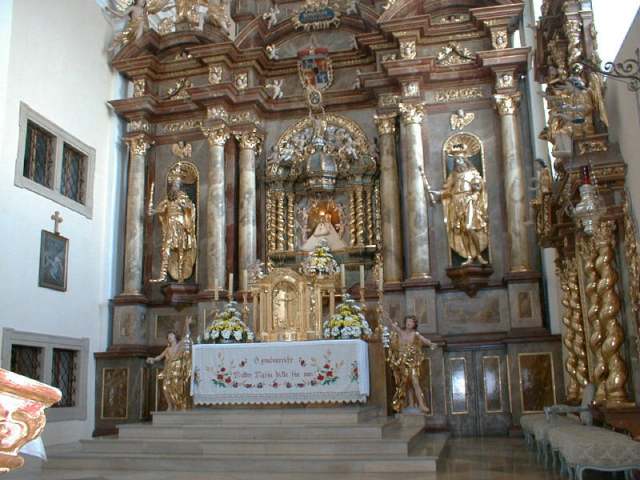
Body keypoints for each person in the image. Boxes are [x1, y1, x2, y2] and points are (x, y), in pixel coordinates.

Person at [426, 146, 489, 265]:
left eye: (459, 159)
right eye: (456, 160)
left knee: (469, 227)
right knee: (463, 230)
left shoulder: (472, 173)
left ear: (465, 160)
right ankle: (469, 256)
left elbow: (478, 189)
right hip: (456, 203)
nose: (458, 162)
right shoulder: (453, 176)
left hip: (468, 201)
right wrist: (435, 193)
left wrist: (474, 196)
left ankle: (478, 254)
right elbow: (447, 191)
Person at [149, 176, 197, 283]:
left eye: (176, 184)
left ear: (179, 186)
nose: (174, 186)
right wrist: (153, 211)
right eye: (173, 184)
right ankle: (163, 276)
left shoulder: (183, 197)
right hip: (170, 226)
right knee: (165, 248)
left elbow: (190, 208)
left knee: (181, 250)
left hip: (180, 225)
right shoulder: (168, 198)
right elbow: (161, 210)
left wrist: (184, 206)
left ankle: (180, 275)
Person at [385, 315, 436, 414]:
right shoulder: (400, 332)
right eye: (408, 321)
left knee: (415, 381)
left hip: (411, 362)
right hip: (401, 362)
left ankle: (421, 404)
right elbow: (392, 324)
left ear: (414, 324)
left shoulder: (415, 334)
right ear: (405, 322)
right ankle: (411, 404)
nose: (409, 323)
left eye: (411, 322)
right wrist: (387, 317)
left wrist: (431, 344)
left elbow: (424, 340)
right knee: (406, 383)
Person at [146, 321, 192, 411]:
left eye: (171, 335)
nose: (169, 337)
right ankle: (170, 405)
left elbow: (186, 336)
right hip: (168, 370)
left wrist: (187, 324)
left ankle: (179, 405)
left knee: (176, 388)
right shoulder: (167, 349)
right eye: (168, 336)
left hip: (177, 371)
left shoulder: (180, 345)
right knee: (166, 387)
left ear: (175, 336)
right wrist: (152, 359)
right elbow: (159, 357)